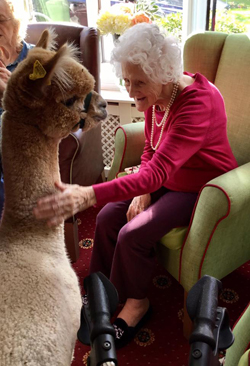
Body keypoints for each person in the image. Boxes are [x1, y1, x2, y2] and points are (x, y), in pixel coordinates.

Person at [33, 23, 238, 348]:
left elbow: (157, 170)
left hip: (201, 188)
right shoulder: (159, 94)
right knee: (106, 217)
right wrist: (141, 188)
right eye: (126, 80)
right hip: (167, 177)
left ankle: (137, 304)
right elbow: (152, 146)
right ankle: (100, 294)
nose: (130, 90)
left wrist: (87, 193)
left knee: (133, 233)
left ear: (165, 74)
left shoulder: (196, 103)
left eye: (138, 82)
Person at [0, 0, 33, 215]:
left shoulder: (35, 61)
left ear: (17, 24)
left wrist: (10, 92)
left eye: (0, 20)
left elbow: (49, 109)